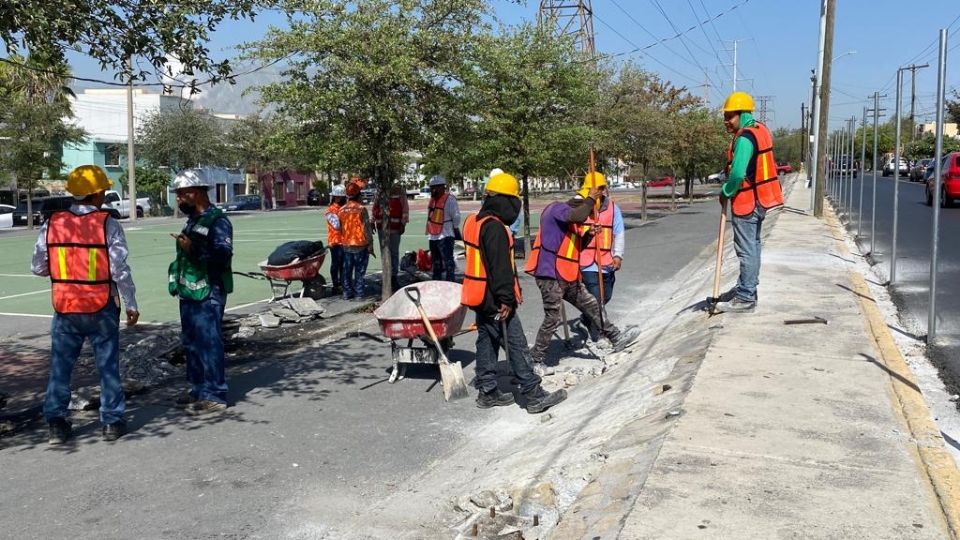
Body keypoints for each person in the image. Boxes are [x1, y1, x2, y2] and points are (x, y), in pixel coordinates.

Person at [31, 165, 139, 444]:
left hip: (65, 305)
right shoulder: (108, 224)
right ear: (97, 192)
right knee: (107, 366)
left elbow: (38, 267)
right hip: (101, 305)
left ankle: (56, 423)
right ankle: (112, 423)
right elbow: (119, 271)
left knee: (60, 367)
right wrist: (131, 303)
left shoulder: (52, 223)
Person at [461, 172, 566, 414]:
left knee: (486, 341)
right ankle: (533, 393)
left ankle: (487, 391)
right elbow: (499, 269)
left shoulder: (472, 222)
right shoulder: (495, 228)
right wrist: (506, 299)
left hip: (477, 296)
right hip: (496, 299)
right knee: (516, 344)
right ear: (505, 201)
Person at [525, 175, 639, 376]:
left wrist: (587, 235)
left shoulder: (573, 221)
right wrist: (589, 199)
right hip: (550, 274)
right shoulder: (557, 209)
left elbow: (574, 247)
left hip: (568, 275)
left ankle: (615, 337)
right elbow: (577, 215)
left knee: (592, 305)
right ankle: (536, 358)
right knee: (552, 317)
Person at [168, 169, 234, 415]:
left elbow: (222, 254)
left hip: (209, 291)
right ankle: (198, 388)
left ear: (194, 193)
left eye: (181, 195)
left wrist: (194, 249)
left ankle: (215, 394)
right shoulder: (193, 221)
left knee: (209, 342)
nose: (178, 200)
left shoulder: (218, 221)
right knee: (192, 342)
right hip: (190, 292)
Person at [716, 91, 785, 313]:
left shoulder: (745, 138)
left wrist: (726, 190)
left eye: (729, 116)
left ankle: (745, 296)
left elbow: (738, 173)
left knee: (746, 250)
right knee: (753, 247)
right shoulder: (759, 130)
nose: (726, 121)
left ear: (742, 113)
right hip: (760, 200)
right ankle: (746, 288)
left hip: (747, 201)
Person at [577, 172, 625, 342]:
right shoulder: (581, 207)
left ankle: (586, 317)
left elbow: (618, 233)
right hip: (586, 261)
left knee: (606, 296)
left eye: (600, 189)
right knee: (596, 300)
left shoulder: (613, 208)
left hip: (606, 260)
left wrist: (618, 255)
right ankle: (600, 335)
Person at [338, 180, 374, 300]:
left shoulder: (341, 210)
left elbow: (340, 228)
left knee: (347, 270)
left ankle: (346, 293)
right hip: (360, 245)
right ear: (358, 195)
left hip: (347, 245)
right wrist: (370, 244)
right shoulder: (361, 209)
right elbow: (366, 228)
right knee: (359, 271)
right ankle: (359, 294)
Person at [373, 184, 409, 292]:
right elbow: (375, 208)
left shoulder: (399, 190)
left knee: (394, 252)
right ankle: (387, 277)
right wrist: (372, 221)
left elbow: (405, 208)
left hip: (395, 228)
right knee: (385, 252)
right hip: (381, 228)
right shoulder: (379, 190)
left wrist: (403, 223)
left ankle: (393, 277)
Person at [425, 175, 460, 282]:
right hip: (434, 236)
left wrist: (454, 227)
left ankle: (449, 282)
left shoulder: (449, 199)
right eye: (432, 187)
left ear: (442, 187)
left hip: (445, 235)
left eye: (435, 187)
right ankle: (438, 282)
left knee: (447, 261)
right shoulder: (433, 200)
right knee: (437, 263)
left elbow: (456, 217)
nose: (433, 189)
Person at [326, 184, 347, 296]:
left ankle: (344, 284)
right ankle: (336, 285)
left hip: (344, 241)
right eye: (337, 197)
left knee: (344, 265)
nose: (340, 199)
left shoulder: (343, 208)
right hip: (335, 242)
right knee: (336, 264)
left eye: (341, 197)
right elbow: (337, 225)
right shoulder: (330, 210)